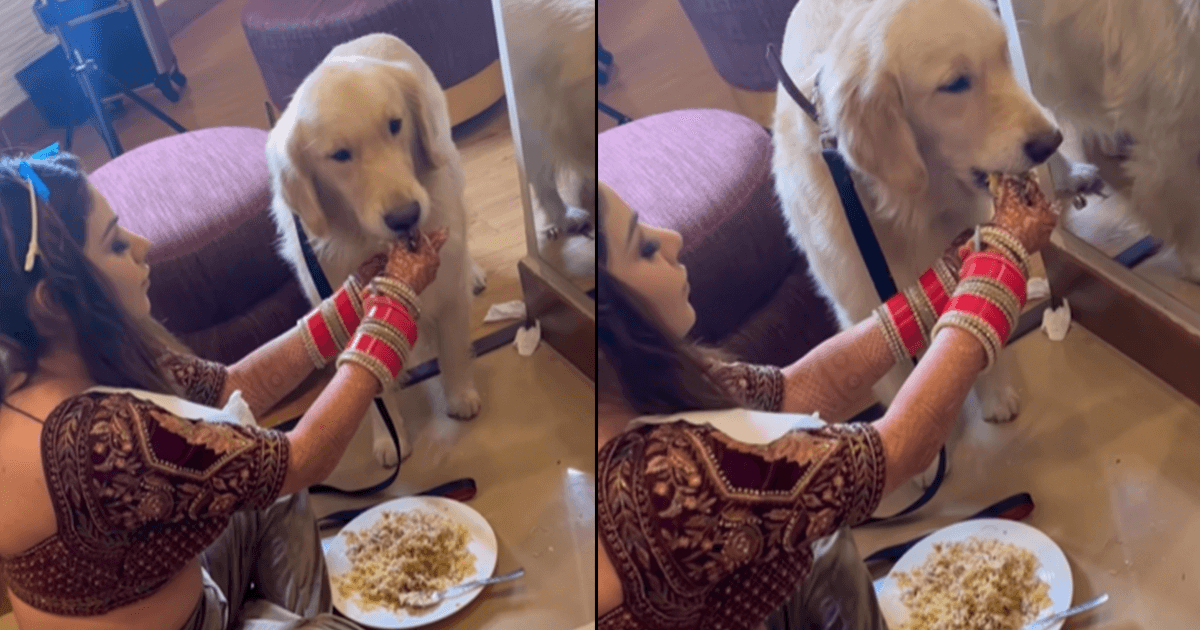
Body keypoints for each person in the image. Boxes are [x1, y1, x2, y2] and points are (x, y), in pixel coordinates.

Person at [0, 145, 446, 630]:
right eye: (115, 245)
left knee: (262, 474)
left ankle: (276, 618)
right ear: (54, 305)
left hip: (199, 597)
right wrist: (393, 309)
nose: (141, 244)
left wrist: (356, 301)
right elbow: (303, 458)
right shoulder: (100, 439)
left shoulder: (56, 366)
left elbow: (233, 388)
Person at [596, 173, 1059, 630]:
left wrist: (950, 278)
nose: (672, 239)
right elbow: (897, 450)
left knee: (826, 548)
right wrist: (1000, 266)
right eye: (644, 248)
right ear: (611, 326)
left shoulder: (634, 389)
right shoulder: (669, 478)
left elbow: (794, 392)